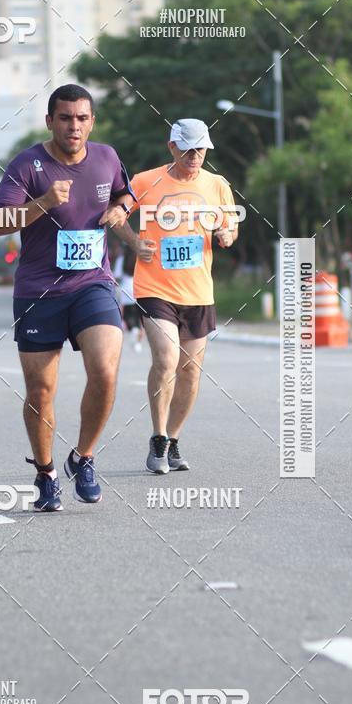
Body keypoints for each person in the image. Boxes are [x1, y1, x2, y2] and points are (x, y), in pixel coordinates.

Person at [0, 84, 131, 511]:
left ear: (92, 121)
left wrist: (122, 210)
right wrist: (43, 202)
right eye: (66, 118)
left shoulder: (106, 157)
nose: (75, 126)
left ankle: (83, 457)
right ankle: (46, 472)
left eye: (82, 118)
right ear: (50, 121)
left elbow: (126, 193)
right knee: (41, 391)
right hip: (39, 292)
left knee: (105, 370)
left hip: (93, 284)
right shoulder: (28, 164)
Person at [114, 118, 238, 474]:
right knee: (167, 359)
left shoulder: (217, 185)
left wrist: (227, 236)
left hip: (198, 291)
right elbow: (116, 215)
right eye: (187, 149)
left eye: (201, 149)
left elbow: (231, 227)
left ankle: (173, 438)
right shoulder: (144, 181)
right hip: (154, 288)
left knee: (190, 373)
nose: (194, 155)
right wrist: (135, 242)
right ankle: (157, 437)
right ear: (172, 147)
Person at [113, 245, 144, 352]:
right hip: (138, 289)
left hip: (126, 290)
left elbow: (116, 276)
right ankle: (138, 341)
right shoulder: (140, 258)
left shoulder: (121, 259)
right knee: (139, 318)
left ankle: (132, 330)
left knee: (128, 316)